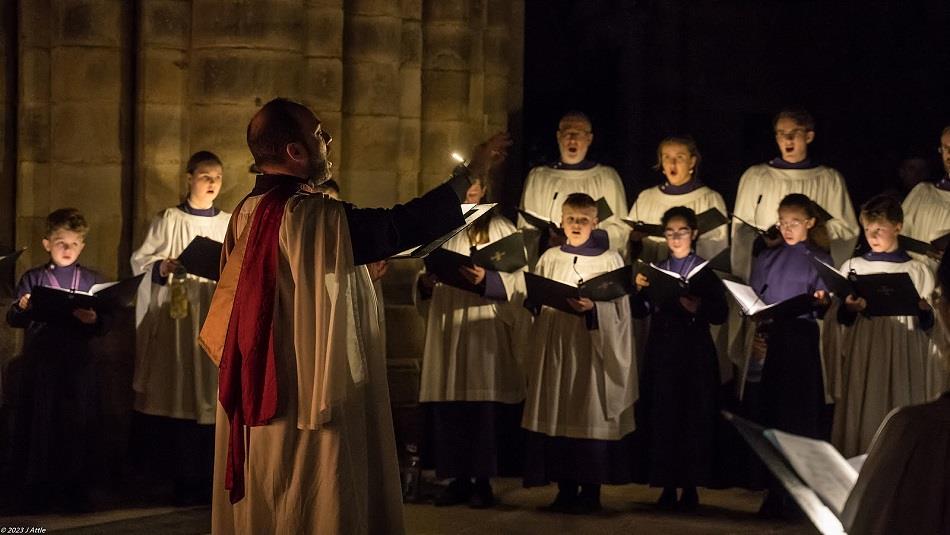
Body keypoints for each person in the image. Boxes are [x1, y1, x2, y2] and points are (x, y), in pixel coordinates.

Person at [198, 97, 509, 535]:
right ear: (295, 151)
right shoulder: (305, 214)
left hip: (266, 384)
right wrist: (470, 174)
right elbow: (398, 226)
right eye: (319, 132)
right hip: (304, 392)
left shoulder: (248, 211)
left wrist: (356, 270)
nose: (327, 139)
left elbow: (298, 287)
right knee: (312, 497)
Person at [416, 173, 528, 509]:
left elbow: (519, 283)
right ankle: (456, 480)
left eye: (476, 184)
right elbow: (423, 277)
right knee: (452, 406)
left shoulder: (502, 230)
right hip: (450, 325)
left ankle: (482, 481)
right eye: (464, 184)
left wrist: (488, 281)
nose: (470, 189)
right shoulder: (440, 228)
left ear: (485, 189)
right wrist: (426, 285)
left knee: (481, 407)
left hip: (484, 328)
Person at [521, 193, 637, 514]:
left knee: (588, 415)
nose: (576, 225)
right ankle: (565, 489)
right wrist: (533, 302)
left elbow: (621, 312)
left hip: (592, 348)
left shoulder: (610, 259)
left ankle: (591, 491)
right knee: (559, 413)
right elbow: (536, 296)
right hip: (557, 346)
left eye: (583, 220)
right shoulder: (550, 257)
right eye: (570, 219)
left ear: (595, 222)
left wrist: (593, 308)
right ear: (561, 220)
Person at [130, 150, 231, 504]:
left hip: (213, 314)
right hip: (178, 318)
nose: (212, 183)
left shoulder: (229, 222)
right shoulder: (169, 219)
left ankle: (211, 477)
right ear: (189, 178)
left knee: (211, 392)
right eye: (205, 176)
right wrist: (163, 267)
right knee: (178, 390)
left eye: (217, 177)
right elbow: (141, 261)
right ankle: (176, 479)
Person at [6, 208, 110, 513]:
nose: (68, 249)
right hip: (42, 366)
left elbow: (105, 322)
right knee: (41, 428)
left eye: (75, 244)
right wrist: (24, 308)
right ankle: (38, 492)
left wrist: (92, 319)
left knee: (77, 428)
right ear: (47, 243)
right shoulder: (34, 278)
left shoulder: (90, 279)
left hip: (79, 367)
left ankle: (75, 492)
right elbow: (14, 318)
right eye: (61, 242)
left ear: (82, 246)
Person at [631, 206, 728, 511]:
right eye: (670, 231)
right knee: (664, 416)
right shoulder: (655, 269)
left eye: (681, 231)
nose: (675, 237)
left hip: (695, 353)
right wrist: (638, 291)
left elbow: (720, 314)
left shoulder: (705, 271)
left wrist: (696, 306)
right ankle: (667, 486)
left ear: (694, 233)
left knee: (692, 417)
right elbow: (640, 311)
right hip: (663, 351)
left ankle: (690, 487)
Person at [825, 195, 935, 457]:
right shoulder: (853, 266)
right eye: (867, 229)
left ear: (898, 227)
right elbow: (837, 320)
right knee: (863, 410)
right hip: (865, 349)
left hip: (904, 351)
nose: (872, 235)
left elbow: (934, 327)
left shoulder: (917, 270)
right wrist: (848, 309)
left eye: (879, 229)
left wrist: (924, 312)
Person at [746, 194, 832, 515]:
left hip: (802, 343)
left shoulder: (819, 257)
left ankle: (798, 497)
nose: (787, 228)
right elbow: (756, 298)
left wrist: (822, 301)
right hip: (774, 342)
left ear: (810, 222)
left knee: (799, 419)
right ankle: (773, 491)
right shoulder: (769, 257)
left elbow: (824, 303)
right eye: (782, 222)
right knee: (772, 418)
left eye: (795, 222)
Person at [731, 109, 858, 282]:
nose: (788, 139)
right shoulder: (756, 177)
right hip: (769, 267)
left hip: (810, 268)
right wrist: (765, 239)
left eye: (794, 133)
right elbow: (741, 231)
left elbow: (847, 231)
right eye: (782, 133)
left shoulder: (829, 179)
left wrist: (812, 231)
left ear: (809, 136)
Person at [518, 111, 629, 261]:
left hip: (592, 263)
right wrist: (547, 240)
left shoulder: (606, 178)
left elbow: (620, 230)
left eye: (578, 134)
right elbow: (526, 230)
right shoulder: (539, 178)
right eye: (568, 133)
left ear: (589, 139)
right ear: (558, 136)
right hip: (553, 261)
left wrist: (581, 240)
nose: (572, 139)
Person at [627, 137, 728, 264]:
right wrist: (635, 237)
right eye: (667, 157)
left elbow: (716, 249)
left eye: (680, 157)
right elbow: (629, 239)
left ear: (692, 162)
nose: (672, 164)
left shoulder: (709, 199)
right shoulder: (646, 197)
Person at [901, 125, 950, 271]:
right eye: (946, 147)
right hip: (918, 278)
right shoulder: (922, 193)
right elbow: (898, 236)